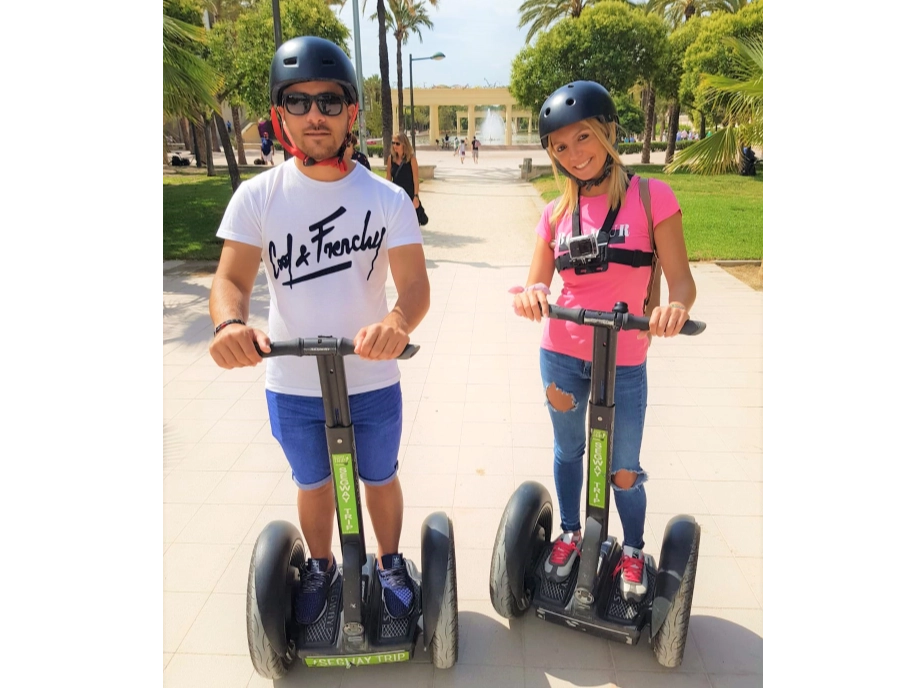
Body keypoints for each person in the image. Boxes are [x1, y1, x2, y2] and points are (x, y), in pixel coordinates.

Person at [207, 35, 431, 628]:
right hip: (293, 381)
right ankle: (322, 565)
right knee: (313, 483)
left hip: (372, 376)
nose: (315, 115)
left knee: (378, 476)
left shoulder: (387, 199)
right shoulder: (258, 196)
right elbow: (229, 279)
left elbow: (414, 287)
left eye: (330, 102)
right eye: (299, 102)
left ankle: (387, 563)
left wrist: (396, 321)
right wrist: (230, 323)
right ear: (279, 115)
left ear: (352, 112)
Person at [508, 81, 696, 603]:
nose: (575, 154)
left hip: (625, 358)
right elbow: (536, 281)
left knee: (623, 469)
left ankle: (632, 548)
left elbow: (681, 280)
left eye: (584, 137)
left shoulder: (652, 196)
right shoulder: (554, 213)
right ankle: (570, 533)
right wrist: (531, 296)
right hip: (562, 354)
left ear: (609, 133)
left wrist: (674, 306)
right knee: (569, 452)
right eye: (561, 147)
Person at [385, 131, 421, 213]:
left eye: (397, 143)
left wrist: (416, 196)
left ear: (404, 144)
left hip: (409, 196)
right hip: (396, 197)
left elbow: (416, 180)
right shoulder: (391, 159)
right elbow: (388, 178)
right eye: (393, 143)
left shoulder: (411, 159)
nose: (394, 146)